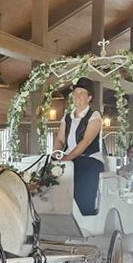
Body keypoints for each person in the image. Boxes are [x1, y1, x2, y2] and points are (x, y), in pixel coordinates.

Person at [52, 77, 108, 215]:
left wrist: (67, 158)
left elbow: (86, 141)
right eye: (75, 92)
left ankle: (84, 212)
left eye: (82, 93)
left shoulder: (94, 116)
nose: (77, 96)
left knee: (81, 173)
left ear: (89, 98)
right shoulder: (67, 117)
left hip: (89, 158)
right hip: (70, 158)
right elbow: (60, 139)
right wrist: (56, 153)